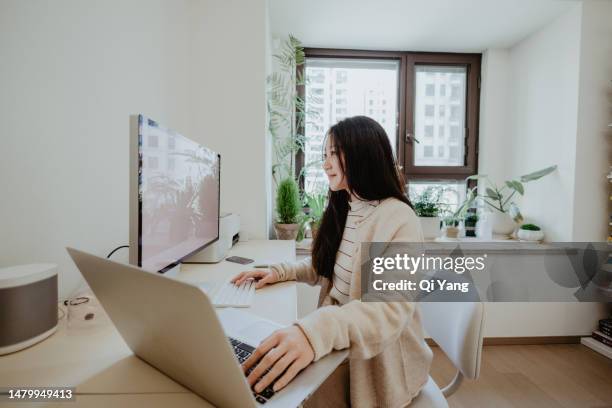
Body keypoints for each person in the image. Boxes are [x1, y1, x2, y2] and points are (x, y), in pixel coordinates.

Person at [232, 116, 433, 407]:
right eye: (324, 155)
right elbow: (327, 266)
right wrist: (280, 272)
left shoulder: (400, 219)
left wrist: (314, 331)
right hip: (342, 342)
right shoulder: (346, 206)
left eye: (334, 154)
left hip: (379, 367)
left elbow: (387, 310)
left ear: (363, 154)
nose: (325, 164)